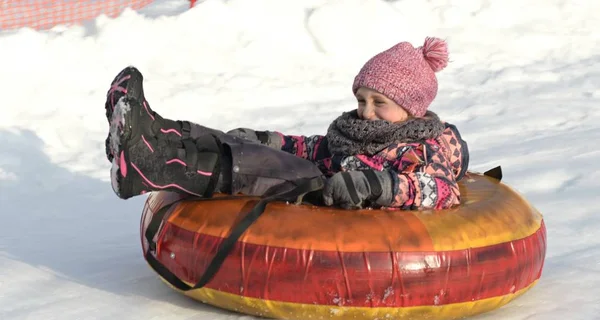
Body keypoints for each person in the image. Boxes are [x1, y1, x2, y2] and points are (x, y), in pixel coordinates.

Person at [104, 36, 468, 210]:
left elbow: (441, 189)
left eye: (380, 103)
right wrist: (269, 139)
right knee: (248, 147)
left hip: (320, 197)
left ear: (412, 109)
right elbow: (315, 148)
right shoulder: (353, 132)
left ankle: (151, 166)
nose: (366, 112)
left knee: (272, 170)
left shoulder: (422, 147)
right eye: (361, 100)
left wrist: (376, 185)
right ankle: (151, 128)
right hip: (320, 180)